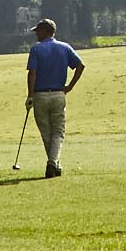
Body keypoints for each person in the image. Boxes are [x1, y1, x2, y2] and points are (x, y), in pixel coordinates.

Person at [25, 18, 85, 178]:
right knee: (57, 132)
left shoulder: (36, 50)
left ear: (46, 31)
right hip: (59, 94)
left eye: (38, 31)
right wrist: (70, 86)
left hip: (40, 95)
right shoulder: (64, 47)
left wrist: (30, 95)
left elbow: (32, 73)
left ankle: (53, 163)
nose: (36, 34)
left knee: (47, 133)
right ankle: (54, 163)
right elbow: (80, 65)